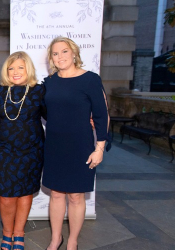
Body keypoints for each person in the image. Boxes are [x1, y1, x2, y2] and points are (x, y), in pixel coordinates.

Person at [42, 37, 109, 250]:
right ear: (51, 58)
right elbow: (41, 110)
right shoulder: (49, 82)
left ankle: (72, 241)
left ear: (74, 53)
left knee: (76, 196)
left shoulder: (90, 79)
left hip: (80, 144)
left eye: (64, 51)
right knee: (56, 194)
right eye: (55, 53)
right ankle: (56, 239)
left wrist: (99, 148)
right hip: (54, 144)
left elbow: (101, 115)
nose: (60, 56)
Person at [0, 51, 46, 250]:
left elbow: (54, 115)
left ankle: (19, 234)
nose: (15, 72)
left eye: (20, 67)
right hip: (6, 150)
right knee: (6, 196)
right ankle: (7, 233)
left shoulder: (38, 91)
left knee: (25, 194)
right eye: (11, 68)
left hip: (32, 150)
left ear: (28, 69)